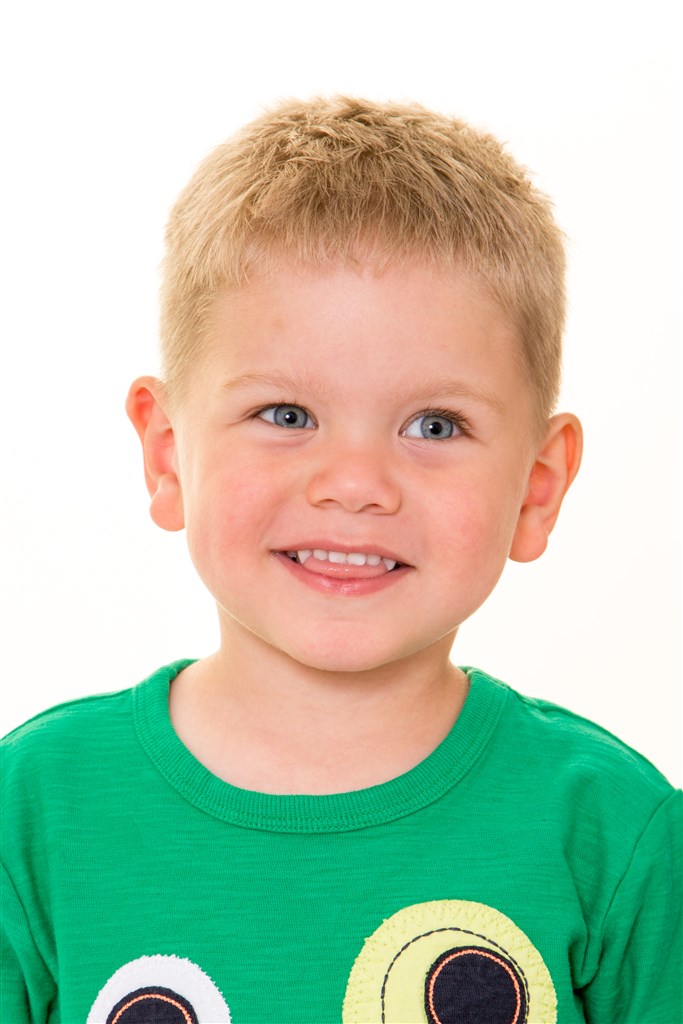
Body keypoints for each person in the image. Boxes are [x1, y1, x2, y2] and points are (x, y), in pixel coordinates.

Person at [1, 97, 680, 1024]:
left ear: (536, 487)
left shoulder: (617, 833)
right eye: (286, 415)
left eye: (433, 425)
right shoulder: (34, 815)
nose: (355, 484)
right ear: (167, 455)